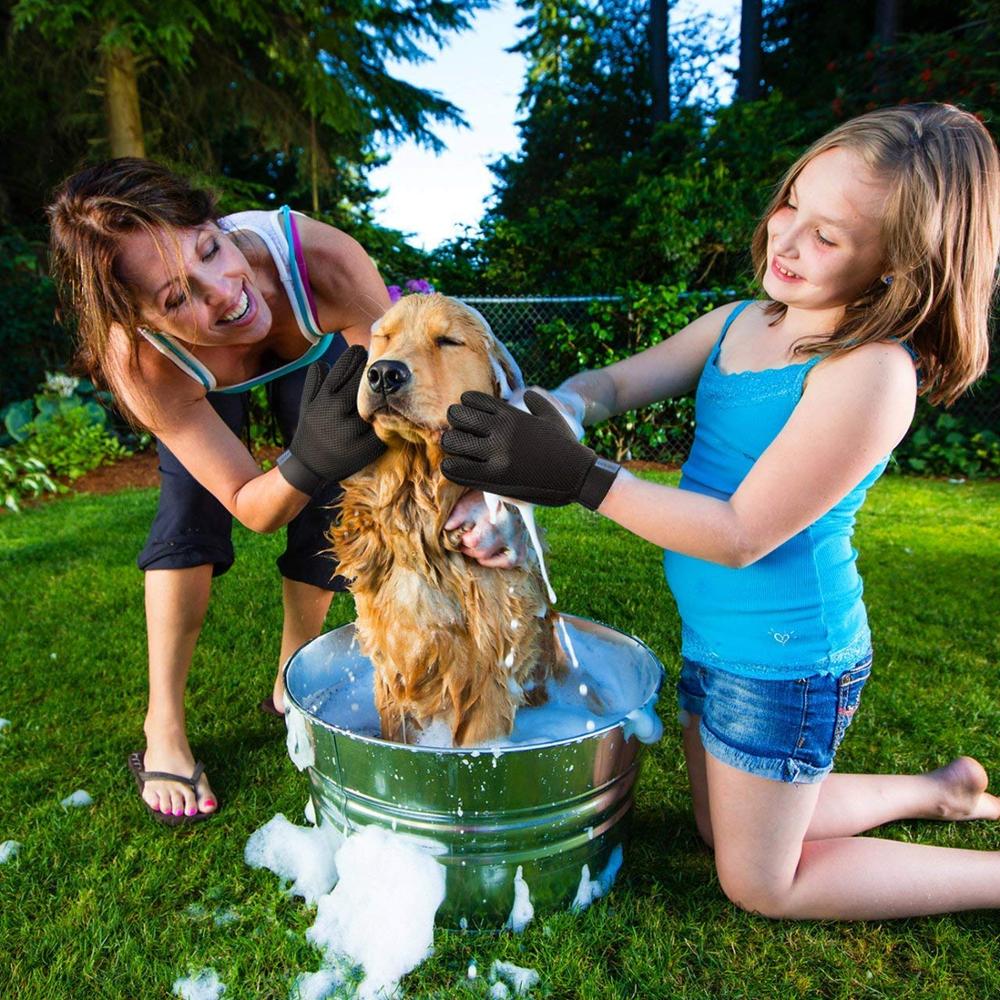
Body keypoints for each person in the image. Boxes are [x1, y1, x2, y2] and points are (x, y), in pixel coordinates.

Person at [440, 103, 1000, 919]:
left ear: (900, 266)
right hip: (716, 637)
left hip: (787, 658)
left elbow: (738, 536)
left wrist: (580, 478)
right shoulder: (742, 322)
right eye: (791, 205)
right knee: (716, 825)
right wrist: (555, 413)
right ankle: (938, 792)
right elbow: (612, 386)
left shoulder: (871, 373)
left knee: (759, 880)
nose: (788, 238)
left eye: (829, 235)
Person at [48, 159, 513, 825]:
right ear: (139, 316)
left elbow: (414, 406)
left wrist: (473, 496)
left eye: (210, 249)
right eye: (178, 297)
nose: (224, 295)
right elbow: (250, 504)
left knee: (333, 495)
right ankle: (164, 726)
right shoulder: (142, 361)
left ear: (214, 221)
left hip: (313, 341)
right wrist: (303, 458)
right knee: (189, 517)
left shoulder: (321, 263)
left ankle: (293, 673)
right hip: (196, 372)